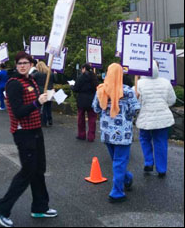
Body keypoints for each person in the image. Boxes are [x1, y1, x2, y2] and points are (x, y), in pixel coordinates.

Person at [0, 51, 57, 228]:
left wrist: (47, 96)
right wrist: (38, 102)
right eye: (19, 63)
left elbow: (36, 101)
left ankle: (40, 207)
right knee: (27, 171)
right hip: (23, 133)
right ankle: (1, 209)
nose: (22, 65)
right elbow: (19, 111)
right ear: (16, 64)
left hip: (35, 129)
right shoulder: (13, 84)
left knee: (39, 169)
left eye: (25, 62)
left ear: (30, 64)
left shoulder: (31, 80)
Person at [92, 63, 140, 203]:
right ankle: (117, 192)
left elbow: (96, 109)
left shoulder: (101, 90)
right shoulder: (128, 91)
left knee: (117, 161)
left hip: (107, 133)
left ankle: (127, 178)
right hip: (123, 134)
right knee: (119, 162)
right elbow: (134, 110)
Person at [136, 60, 176, 178]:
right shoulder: (166, 82)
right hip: (163, 118)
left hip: (145, 118)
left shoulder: (139, 83)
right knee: (161, 142)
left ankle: (148, 162)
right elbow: (172, 100)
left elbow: (136, 102)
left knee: (144, 139)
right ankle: (161, 169)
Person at [72, 64, 98, 142]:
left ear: (84, 68)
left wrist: (72, 87)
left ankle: (81, 135)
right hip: (92, 100)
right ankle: (91, 136)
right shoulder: (94, 77)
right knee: (92, 119)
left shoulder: (80, 77)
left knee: (81, 118)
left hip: (82, 100)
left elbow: (76, 89)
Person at [33, 61, 55, 127]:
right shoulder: (50, 73)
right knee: (48, 106)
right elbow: (54, 80)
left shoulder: (37, 74)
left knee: (43, 107)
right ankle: (50, 119)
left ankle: (43, 121)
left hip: (41, 91)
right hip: (50, 91)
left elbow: (31, 79)